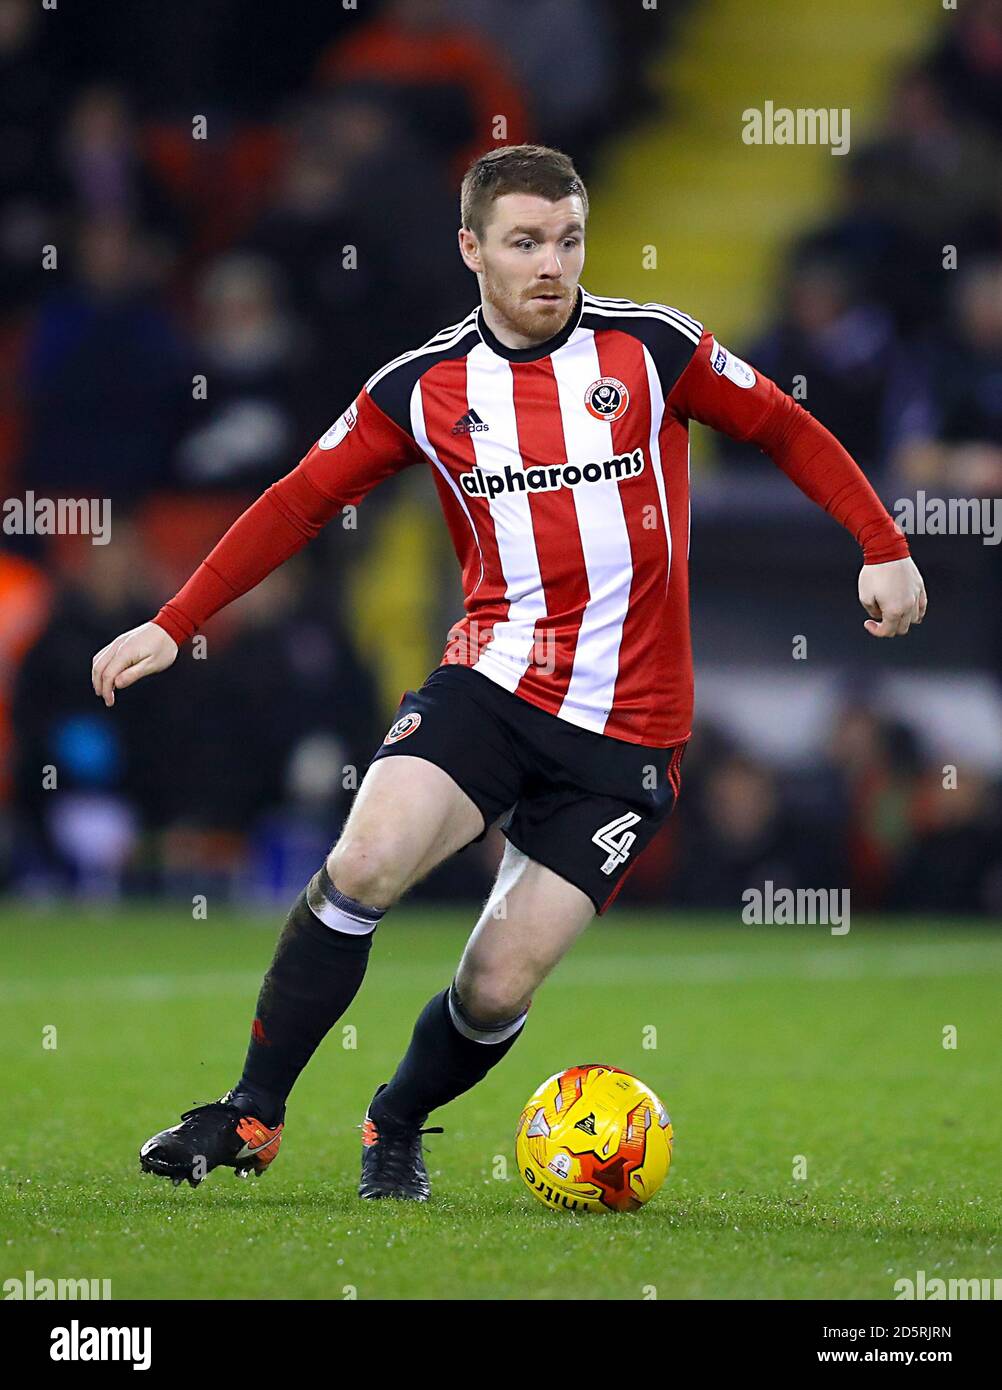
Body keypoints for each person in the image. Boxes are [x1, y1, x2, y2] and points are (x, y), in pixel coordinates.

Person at [90, 144, 927, 1200]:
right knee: (366, 859)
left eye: (568, 240)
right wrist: (178, 619)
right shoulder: (423, 385)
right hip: (492, 685)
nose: (551, 265)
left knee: (492, 986)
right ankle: (251, 1111)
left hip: (631, 732)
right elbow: (299, 497)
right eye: (526, 242)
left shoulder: (652, 348)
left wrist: (883, 543)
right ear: (472, 249)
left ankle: (394, 1120)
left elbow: (786, 426)